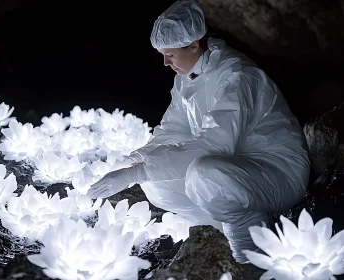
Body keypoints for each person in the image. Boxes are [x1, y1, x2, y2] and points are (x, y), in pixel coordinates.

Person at [87, 0, 310, 263]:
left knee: (202, 175)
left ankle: (249, 251)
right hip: (236, 169)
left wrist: (139, 170)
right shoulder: (187, 78)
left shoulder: (237, 77)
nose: (165, 63)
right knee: (155, 183)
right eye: (161, 55)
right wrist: (137, 159)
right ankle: (223, 229)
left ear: (194, 45)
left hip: (277, 172)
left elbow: (214, 145)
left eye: (169, 54)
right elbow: (174, 129)